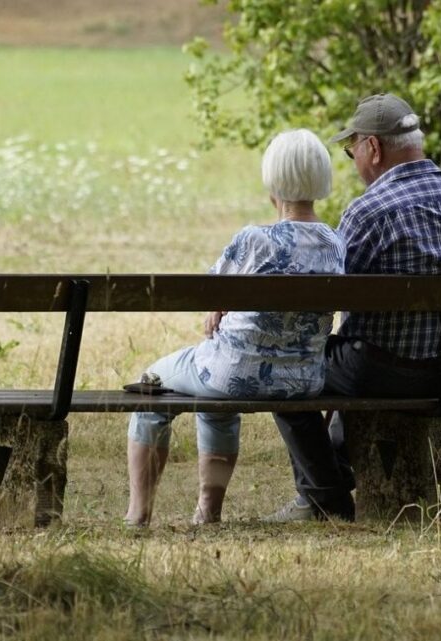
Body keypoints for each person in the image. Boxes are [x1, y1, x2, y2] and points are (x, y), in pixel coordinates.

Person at [265, 93, 441, 522]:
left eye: (353, 152)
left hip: (376, 371)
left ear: (373, 147)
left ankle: (324, 497)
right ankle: (332, 479)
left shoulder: (368, 211)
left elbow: (328, 294)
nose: (355, 162)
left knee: (284, 367)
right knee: (352, 353)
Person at [124, 129, 346, 526]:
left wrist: (218, 307)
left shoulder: (254, 240)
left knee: (151, 386)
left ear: (273, 180)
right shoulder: (335, 243)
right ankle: (207, 512)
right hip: (303, 380)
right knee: (215, 397)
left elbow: (209, 291)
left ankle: (138, 514)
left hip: (233, 373)